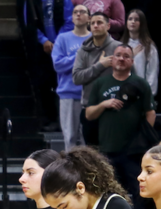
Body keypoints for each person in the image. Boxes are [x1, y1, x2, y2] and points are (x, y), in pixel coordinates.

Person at [84, 43, 156, 209]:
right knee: (109, 190)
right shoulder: (101, 83)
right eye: (118, 55)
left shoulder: (140, 83)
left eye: (126, 56)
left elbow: (150, 112)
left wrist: (145, 137)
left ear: (131, 61)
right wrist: (103, 104)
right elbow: (89, 114)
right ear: (112, 59)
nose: (121, 59)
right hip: (107, 148)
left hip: (133, 150)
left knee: (139, 189)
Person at [24, 0, 75, 130]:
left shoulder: (64, 1)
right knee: (43, 84)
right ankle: (49, 120)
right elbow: (28, 23)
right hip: (40, 50)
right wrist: (43, 40)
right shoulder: (31, 2)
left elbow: (70, 21)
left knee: (62, 83)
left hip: (63, 48)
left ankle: (64, 120)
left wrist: (58, 42)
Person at [54, 5, 93, 149]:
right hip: (68, 93)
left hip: (90, 94)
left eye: (82, 12)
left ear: (89, 18)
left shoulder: (94, 38)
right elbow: (58, 65)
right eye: (75, 12)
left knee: (87, 139)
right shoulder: (63, 38)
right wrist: (79, 56)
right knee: (70, 137)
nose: (78, 14)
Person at [73, 12, 122, 105]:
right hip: (90, 106)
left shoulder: (119, 48)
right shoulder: (83, 50)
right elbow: (76, 78)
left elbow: (132, 77)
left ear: (108, 26)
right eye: (92, 23)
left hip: (115, 106)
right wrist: (100, 66)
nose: (95, 26)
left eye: (99, 22)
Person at [126, 9, 159, 97]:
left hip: (141, 93)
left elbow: (152, 72)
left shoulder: (148, 46)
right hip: (123, 92)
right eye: (130, 19)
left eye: (136, 19)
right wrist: (130, 56)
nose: (133, 22)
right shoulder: (121, 45)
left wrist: (149, 94)